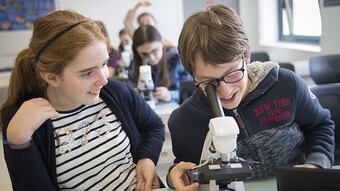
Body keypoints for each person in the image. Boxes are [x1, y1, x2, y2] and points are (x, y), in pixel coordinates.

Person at [166, 4, 335, 190]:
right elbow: (183, 169)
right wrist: (174, 178)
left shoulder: (287, 85)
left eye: (232, 74)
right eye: (209, 83)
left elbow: (321, 125)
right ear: (193, 75)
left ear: (246, 57)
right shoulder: (182, 121)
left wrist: (315, 165)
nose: (225, 91)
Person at [0, 10, 165, 191]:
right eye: (87, 73)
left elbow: (154, 125)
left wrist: (147, 158)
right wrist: (18, 139)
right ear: (52, 78)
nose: (103, 80)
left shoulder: (113, 92)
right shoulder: (25, 123)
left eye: (104, 64)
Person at [128, 24, 191, 103]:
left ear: (162, 43)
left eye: (154, 51)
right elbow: (129, 91)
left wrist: (170, 95)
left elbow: (190, 92)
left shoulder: (176, 58)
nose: (151, 58)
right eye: (144, 54)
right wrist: (132, 94)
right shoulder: (134, 64)